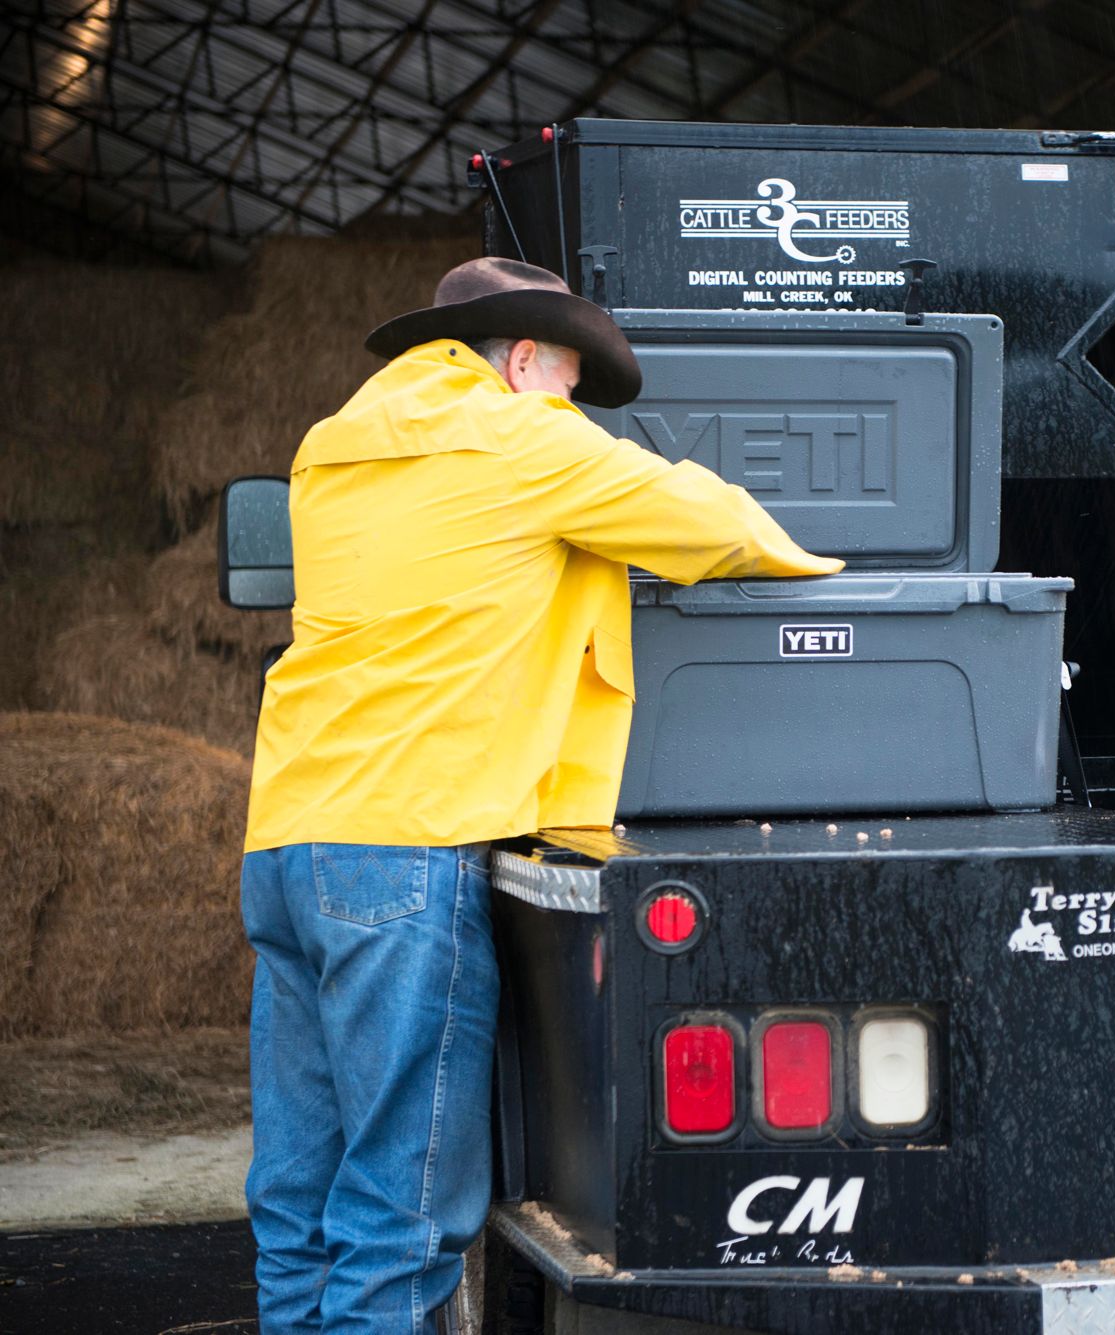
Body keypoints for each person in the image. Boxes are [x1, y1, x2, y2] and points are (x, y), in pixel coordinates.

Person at [237, 257, 842, 1333]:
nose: (569, 404)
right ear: (521, 360)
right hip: (405, 849)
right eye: (565, 379)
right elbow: (720, 528)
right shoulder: (520, 438)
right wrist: (840, 565)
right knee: (402, 1205)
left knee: (299, 1192)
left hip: (289, 844)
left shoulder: (331, 448)